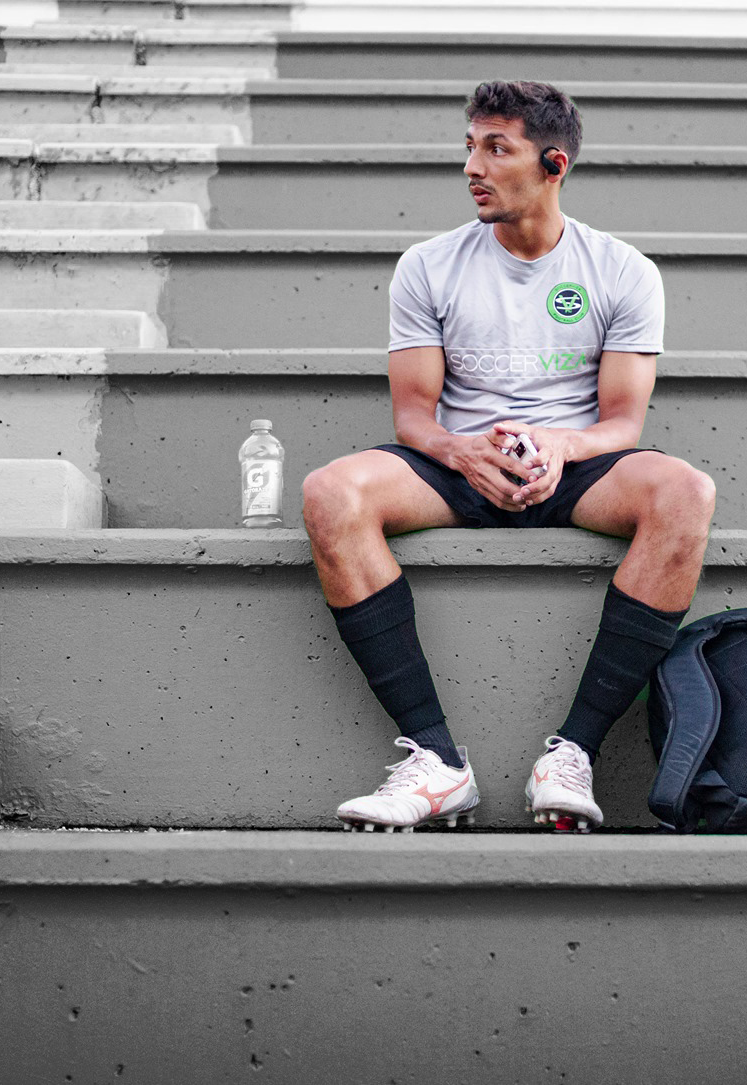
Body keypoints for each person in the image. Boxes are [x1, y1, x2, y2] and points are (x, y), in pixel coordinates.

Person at [301, 79, 717, 833]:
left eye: (497, 148)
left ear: (553, 163)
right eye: (469, 146)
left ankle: (572, 755)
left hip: (574, 466)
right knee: (332, 492)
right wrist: (460, 450)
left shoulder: (623, 271)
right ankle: (435, 762)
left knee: (685, 492)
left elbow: (622, 420)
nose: (473, 167)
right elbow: (413, 415)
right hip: (457, 463)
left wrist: (563, 444)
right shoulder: (428, 265)